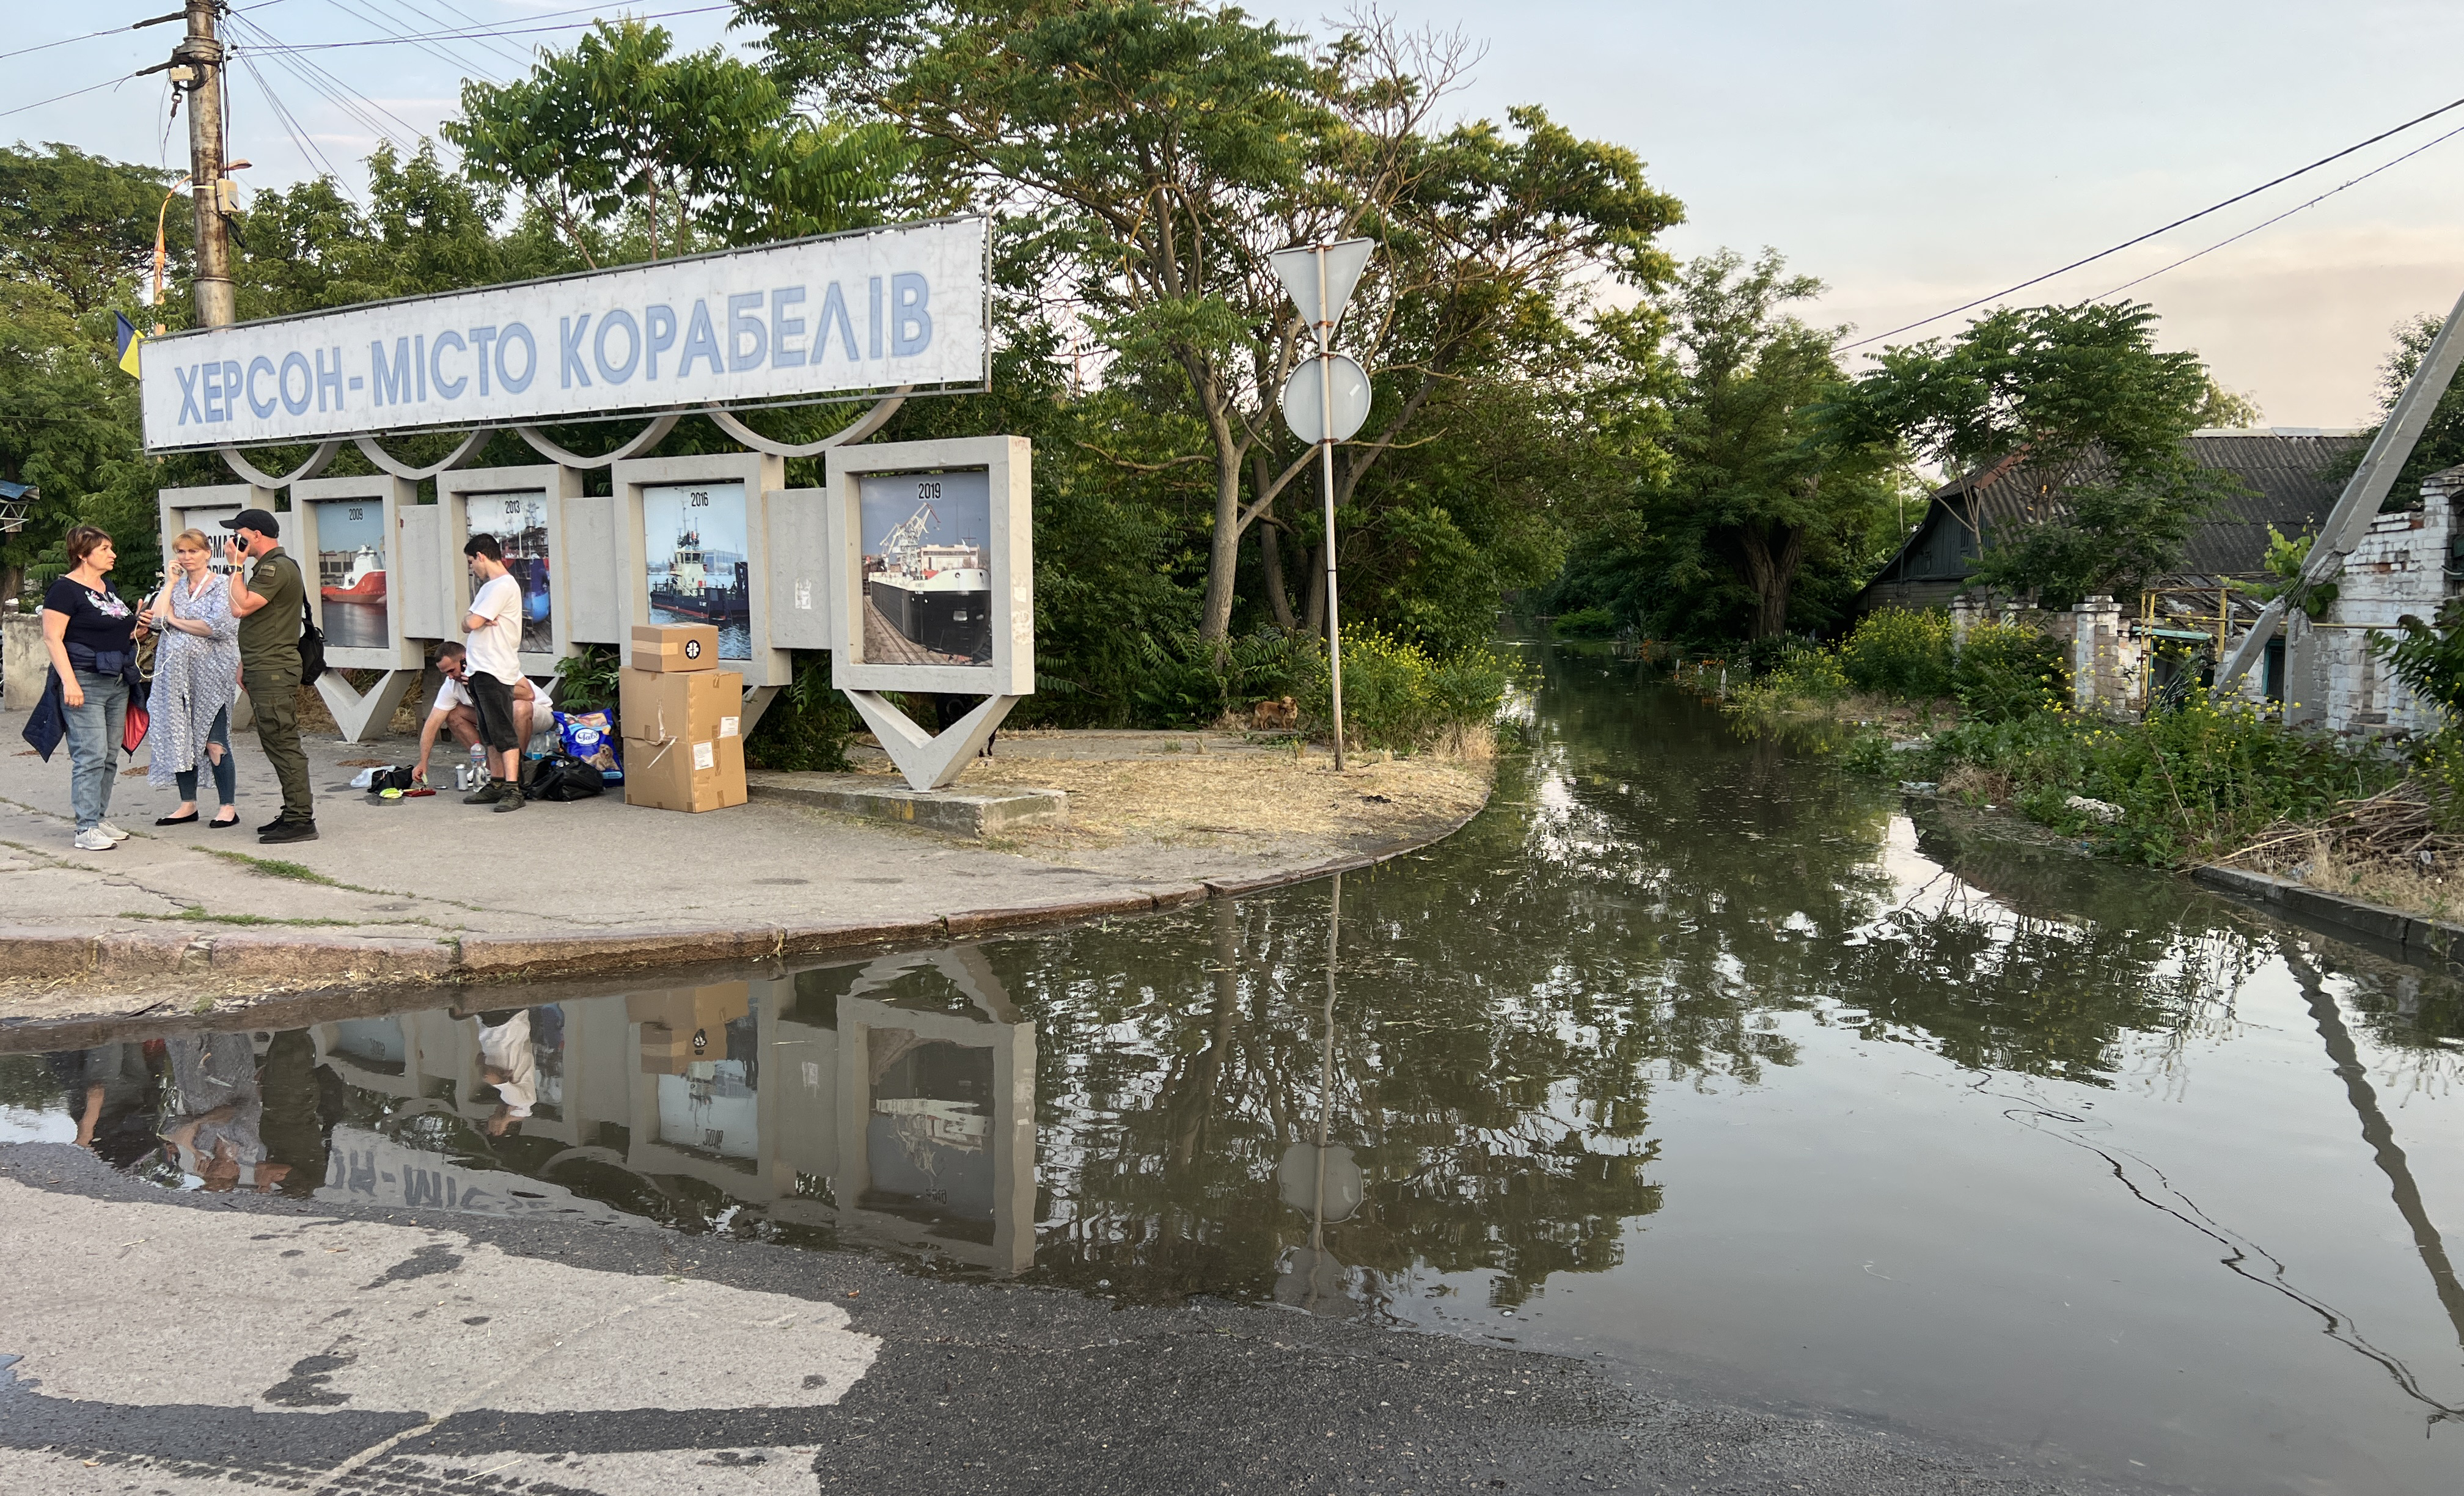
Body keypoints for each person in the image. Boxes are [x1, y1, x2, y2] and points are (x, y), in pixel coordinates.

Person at [40, 526, 151, 852]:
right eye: (105, 549)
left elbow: (115, 633)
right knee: (90, 755)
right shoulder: (64, 590)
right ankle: (85, 828)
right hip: (84, 681)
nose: (112, 554)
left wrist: (138, 630)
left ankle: (99, 819)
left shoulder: (106, 587)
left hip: (117, 680)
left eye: (111, 548)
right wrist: (70, 682)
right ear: (82, 554)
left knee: (109, 756)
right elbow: (52, 638)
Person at [221, 508, 315, 843]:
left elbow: (239, 606)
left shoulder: (275, 568)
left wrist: (236, 565)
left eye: (240, 533)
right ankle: (293, 812)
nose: (234, 540)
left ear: (256, 536)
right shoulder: (270, 566)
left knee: (283, 742)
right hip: (264, 665)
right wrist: (247, 661)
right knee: (275, 741)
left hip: (275, 669)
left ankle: (301, 819)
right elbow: (261, 621)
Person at [142, 528, 243, 829]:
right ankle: (188, 804)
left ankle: (228, 806)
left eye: (193, 551)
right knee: (179, 737)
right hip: (174, 675)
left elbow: (217, 627)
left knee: (215, 740)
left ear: (207, 553)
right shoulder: (175, 585)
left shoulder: (223, 585)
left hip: (213, 674)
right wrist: (170, 583)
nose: (186, 558)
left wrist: (173, 619)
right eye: (181, 552)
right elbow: (155, 620)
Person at [460, 533, 527, 813]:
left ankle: (513, 788)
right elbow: (471, 623)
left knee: (502, 731)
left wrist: (473, 619)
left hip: (494, 669)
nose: (471, 568)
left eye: (471, 562)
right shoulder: (490, 587)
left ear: (482, 556)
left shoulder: (501, 586)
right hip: (480, 669)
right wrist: (473, 620)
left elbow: (470, 622)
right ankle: (497, 782)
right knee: (488, 732)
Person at [411, 640, 535, 786]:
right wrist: (423, 762)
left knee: (518, 708)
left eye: (452, 670)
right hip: (498, 717)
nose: (450, 677)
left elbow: (528, 694)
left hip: (534, 710)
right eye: (446, 673)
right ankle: (491, 771)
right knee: (453, 714)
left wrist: (486, 686)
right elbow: (432, 724)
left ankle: (516, 772)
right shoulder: (451, 685)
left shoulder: (491, 665)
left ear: (465, 660)